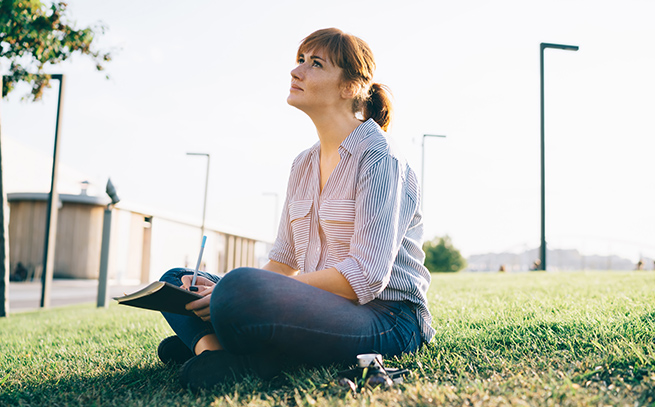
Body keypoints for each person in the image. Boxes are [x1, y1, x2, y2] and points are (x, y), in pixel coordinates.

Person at [157, 27, 434, 390]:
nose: (296, 71)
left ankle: (236, 347)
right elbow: (283, 263)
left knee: (239, 288)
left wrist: (243, 293)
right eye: (299, 60)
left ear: (350, 87)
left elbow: (365, 276)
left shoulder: (381, 158)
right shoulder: (303, 165)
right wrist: (226, 291)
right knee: (180, 280)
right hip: (327, 309)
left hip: (388, 318)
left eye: (314, 63)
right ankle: (214, 351)